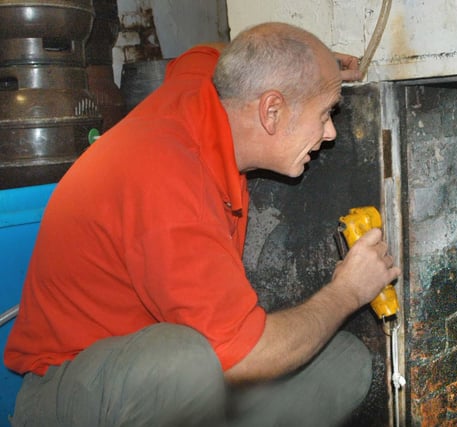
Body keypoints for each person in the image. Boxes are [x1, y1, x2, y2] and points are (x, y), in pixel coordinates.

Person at [4, 22, 401, 427]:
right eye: (324, 114)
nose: (330, 133)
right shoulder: (168, 179)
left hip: (171, 388)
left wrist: (310, 66)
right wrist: (348, 290)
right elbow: (243, 357)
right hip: (81, 395)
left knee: (342, 364)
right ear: (271, 111)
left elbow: (215, 53)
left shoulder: (206, 84)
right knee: (185, 362)